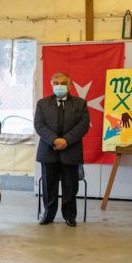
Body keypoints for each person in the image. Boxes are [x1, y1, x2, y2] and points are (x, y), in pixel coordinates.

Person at [34, 72, 90, 227]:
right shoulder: (42, 104)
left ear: (70, 85)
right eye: (56, 83)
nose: (59, 86)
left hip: (71, 150)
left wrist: (66, 140)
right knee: (48, 185)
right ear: (52, 85)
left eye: (63, 83)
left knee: (70, 185)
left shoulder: (80, 103)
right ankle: (48, 214)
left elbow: (83, 126)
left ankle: (70, 215)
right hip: (48, 150)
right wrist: (54, 140)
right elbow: (39, 125)